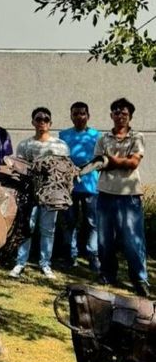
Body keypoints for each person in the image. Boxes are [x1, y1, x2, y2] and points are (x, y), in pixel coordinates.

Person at [94, 98, 150, 297]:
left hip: (129, 196)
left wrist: (110, 160)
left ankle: (140, 279)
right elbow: (99, 163)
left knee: (133, 240)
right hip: (105, 193)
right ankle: (108, 274)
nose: (120, 116)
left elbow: (133, 163)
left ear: (130, 116)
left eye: (124, 113)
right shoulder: (103, 138)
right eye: (116, 113)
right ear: (111, 115)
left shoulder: (137, 137)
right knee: (104, 239)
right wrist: (118, 161)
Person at [8, 107, 70, 280]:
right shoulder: (25, 145)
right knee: (27, 227)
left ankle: (45, 264)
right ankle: (20, 263)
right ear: (33, 122)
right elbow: (19, 168)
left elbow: (64, 169)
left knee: (48, 230)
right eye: (38, 119)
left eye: (45, 119)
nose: (42, 122)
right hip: (30, 193)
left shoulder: (60, 145)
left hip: (52, 194)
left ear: (50, 123)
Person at [58, 101, 100, 271]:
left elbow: (99, 160)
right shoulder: (63, 135)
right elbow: (61, 159)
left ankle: (93, 256)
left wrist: (84, 170)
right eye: (75, 114)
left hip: (91, 186)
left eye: (82, 113)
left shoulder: (96, 135)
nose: (79, 117)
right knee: (70, 222)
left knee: (92, 223)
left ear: (88, 116)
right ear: (71, 116)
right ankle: (71, 256)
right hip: (70, 187)